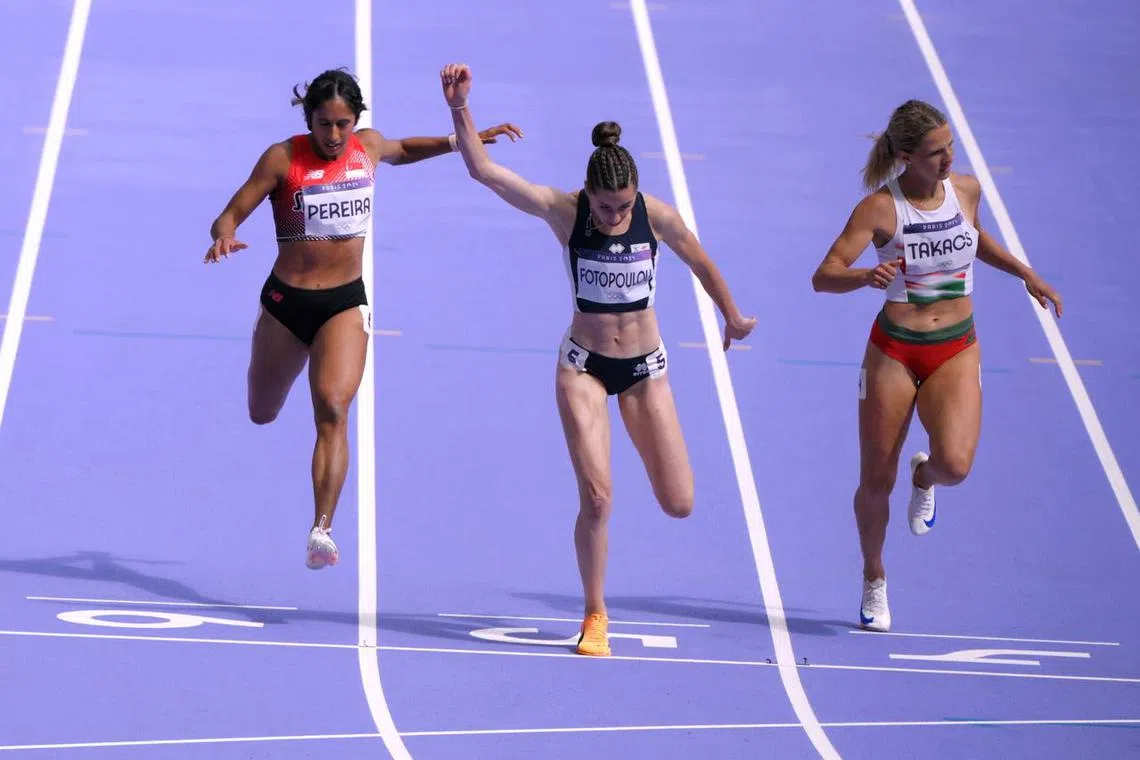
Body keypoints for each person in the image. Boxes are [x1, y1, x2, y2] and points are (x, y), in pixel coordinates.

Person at [439, 62, 758, 656]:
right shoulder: (564, 211)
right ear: (589, 195)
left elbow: (702, 263)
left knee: (679, 502)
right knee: (598, 498)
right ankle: (594, 614)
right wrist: (460, 108)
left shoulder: (655, 216)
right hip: (583, 366)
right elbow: (484, 170)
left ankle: (601, 595)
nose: (614, 217)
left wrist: (731, 315)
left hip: (644, 371)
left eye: (623, 206)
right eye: (606, 207)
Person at [204, 68, 522, 570]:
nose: (334, 136)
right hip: (286, 306)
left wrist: (464, 139)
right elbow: (230, 212)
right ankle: (272, 385)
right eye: (325, 124)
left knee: (332, 406)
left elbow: (405, 150)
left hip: (343, 305)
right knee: (261, 412)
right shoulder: (282, 158)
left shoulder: (366, 148)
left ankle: (321, 528)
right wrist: (223, 235)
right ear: (309, 118)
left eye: (343, 124)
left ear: (356, 121)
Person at [811, 99, 1063, 631]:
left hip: (955, 345)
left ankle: (923, 476)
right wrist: (863, 277)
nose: (949, 158)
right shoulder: (880, 209)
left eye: (950, 147)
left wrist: (1025, 272)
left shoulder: (966, 190)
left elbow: (975, 237)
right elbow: (824, 274)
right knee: (874, 480)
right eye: (936, 152)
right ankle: (874, 578)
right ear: (906, 156)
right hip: (895, 350)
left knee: (956, 465)